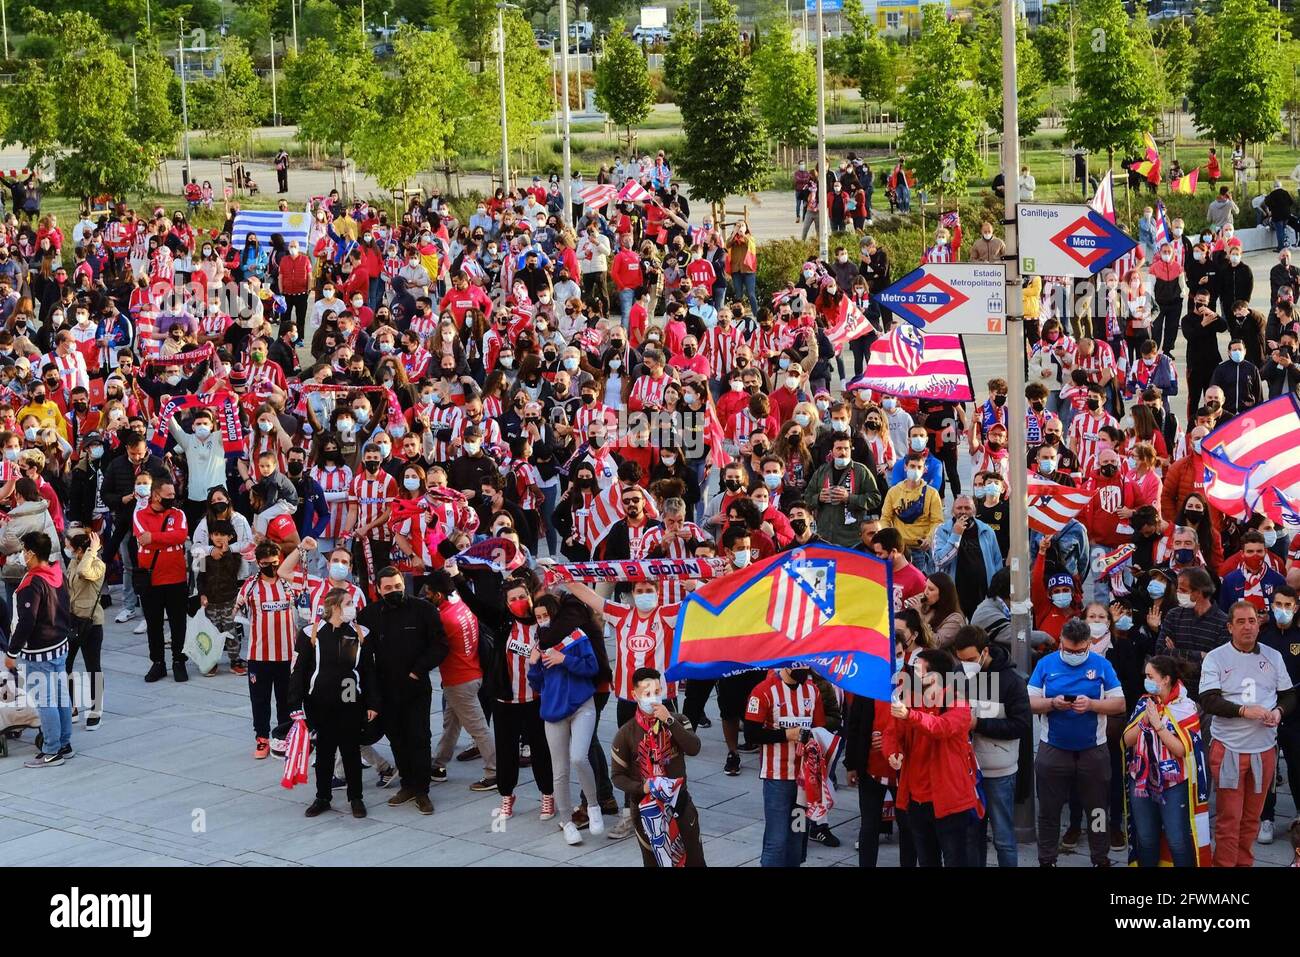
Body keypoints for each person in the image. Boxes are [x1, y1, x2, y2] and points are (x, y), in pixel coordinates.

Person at [1198, 601, 1296, 867]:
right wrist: (1243, 711)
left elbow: (1289, 695)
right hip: (1229, 748)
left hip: (1263, 750)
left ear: (1258, 623)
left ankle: (1245, 864)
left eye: (1252, 620)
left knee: (1252, 818)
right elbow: (1208, 700)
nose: (1248, 627)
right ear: (1230, 627)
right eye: (1240, 622)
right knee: (1229, 818)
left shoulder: (1273, 656)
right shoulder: (1216, 657)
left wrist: (1278, 712)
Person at [1029, 617, 1128, 867]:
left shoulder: (1102, 665)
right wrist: (1052, 703)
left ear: (1089, 644)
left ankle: (1100, 858)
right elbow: (1028, 702)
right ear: (1061, 641)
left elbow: (1119, 704)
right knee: (1049, 811)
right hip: (1053, 748)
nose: (1074, 654)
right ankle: (1047, 860)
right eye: (1069, 650)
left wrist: (1093, 704)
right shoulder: (1045, 664)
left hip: (1093, 750)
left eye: (1080, 650)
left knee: (1096, 810)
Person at [357, 565, 448, 816]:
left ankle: (422, 790)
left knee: (419, 737)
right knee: (397, 737)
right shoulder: (368, 616)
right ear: (378, 589)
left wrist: (417, 670)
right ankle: (407, 785)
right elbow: (364, 657)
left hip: (417, 687)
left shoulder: (424, 610)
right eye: (388, 588)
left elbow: (440, 645)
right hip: (386, 689)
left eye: (397, 586)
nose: (394, 591)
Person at [884, 648, 983, 867]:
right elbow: (892, 733)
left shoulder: (957, 702)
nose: (911, 673)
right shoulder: (910, 698)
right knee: (927, 860)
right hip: (917, 800)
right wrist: (894, 753)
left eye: (918, 669)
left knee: (956, 860)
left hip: (950, 800)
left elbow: (941, 728)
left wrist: (910, 716)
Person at [288, 588, 378, 819]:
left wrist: (372, 703)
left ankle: (355, 797)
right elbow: (298, 672)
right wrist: (295, 704)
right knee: (325, 752)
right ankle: (322, 797)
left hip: (350, 703)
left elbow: (368, 672)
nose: (353, 607)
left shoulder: (361, 633)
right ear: (335, 607)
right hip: (320, 703)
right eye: (348, 603)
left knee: (350, 751)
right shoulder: (311, 633)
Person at [610, 667, 706, 867]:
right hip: (646, 810)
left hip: (679, 805)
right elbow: (617, 776)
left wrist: (669, 721)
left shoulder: (678, 720)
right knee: (654, 862)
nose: (653, 698)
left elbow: (693, 747)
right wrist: (641, 788)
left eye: (657, 692)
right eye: (647, 694)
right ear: (635, 695)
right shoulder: (626, 733)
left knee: (694, 860)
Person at [951, 625, 1030, 867]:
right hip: (967, 771)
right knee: (971, 837)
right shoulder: (959, 675)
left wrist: (978, 724)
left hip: (999, 772)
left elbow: (1021, 726)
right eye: (961, 660)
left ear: (985, 651)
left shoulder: (1012, 682)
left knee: (1004, 838)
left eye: (971, 659)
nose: (966, 665)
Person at [1121, 655, 1205, 867]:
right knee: (1146, 839)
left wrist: (1158, 726)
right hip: (1141, 779)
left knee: (1178, 840)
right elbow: (1126, 740)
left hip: (1173, 784)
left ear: (1166, 679)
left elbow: (1182, 749)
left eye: (1150, 676)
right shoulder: (1144, 702)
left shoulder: (1186, 707)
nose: (1146, 680)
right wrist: (1144, 722)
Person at [745, 664, 826, 867]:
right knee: (777, 839)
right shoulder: (763, 691)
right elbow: (751, 734)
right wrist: (785, 735)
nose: (805, 669)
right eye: (800, 664)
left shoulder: (812, 690)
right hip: (777, 779)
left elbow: (820, 728)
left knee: (797, 836)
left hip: (804, 783)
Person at [4, 531, 73, 767]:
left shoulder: (32, 583)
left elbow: (26, 622)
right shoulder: (57, 573)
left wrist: (12, 653)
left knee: (46, 702)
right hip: (60, 645)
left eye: (24, 550)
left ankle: (52, 750)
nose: (22, 555)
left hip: (38, 652)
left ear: (32, 553)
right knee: (61, 696)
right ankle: (65, 743)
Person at [134, 481, 190, 683]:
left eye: (173, 493)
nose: (172, 497)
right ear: (156, 496)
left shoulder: (178, 514)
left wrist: (155, 537)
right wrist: (167, 538)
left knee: (178, 622)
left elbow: (181, 535)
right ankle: (158, 662)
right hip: (152, 580)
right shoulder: (140, 515)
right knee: (154, 623)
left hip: (176, 577)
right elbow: (142, 538)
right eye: (169, 494)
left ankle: (178, 660)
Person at [64, 529, 106, 730]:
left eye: (70, 546)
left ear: (80, 549)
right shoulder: (73, 561)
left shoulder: (98, 564)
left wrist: (92, 551)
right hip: (72, 620)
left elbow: (84, 572)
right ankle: (71, 706)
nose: (68, 549)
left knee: (93, 667)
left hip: (91, 622)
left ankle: (96, 708)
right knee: (66, 664)